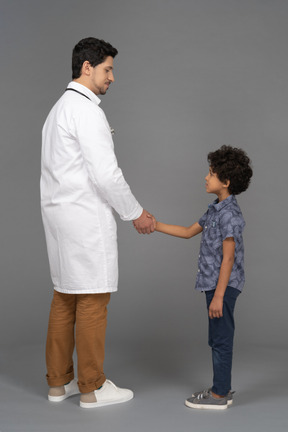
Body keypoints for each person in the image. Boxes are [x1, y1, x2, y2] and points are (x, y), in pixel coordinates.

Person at [40, 37, 155, 409]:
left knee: (64, 296)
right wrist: (135, 213)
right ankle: (92, 387)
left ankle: (59, 384)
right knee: (91, 298)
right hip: (84, 218)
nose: (112, 77)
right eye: (108, 69)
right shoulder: (86, 111)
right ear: (86, 68)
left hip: (59, 217)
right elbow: (106, 174)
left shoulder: (58, 109)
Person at [153, 145, 253, 410]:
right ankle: (220, 388)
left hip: (224, 287)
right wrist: (155, 224)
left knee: (221, 339)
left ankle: (219, 395)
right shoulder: (214, 210)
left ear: (226, 181)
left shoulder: (229, 214)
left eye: (211, 173)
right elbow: (187, 231)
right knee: (217, 338)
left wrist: (219, 296)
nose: (205, 178)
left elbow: (228, 258)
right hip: (213, 285)